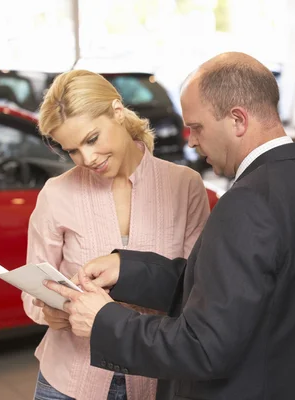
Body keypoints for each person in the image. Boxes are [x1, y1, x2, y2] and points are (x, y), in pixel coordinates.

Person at [45, 53, 295, 399]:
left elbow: (202, 347)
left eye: (198, 127)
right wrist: (129, 269)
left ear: (237, 120)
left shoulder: (248, 203)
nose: (190, 140)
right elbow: (230, 293)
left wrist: (105, 321)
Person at [23, 69, 210, 400]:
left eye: (92, 139)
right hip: (67, 382)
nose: (87, 158)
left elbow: (196, 288)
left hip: (155, 381)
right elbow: (32, 292)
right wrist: (49, 312)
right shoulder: (56, 193)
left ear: (117, 112)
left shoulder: (185, 186)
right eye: (72, 150)